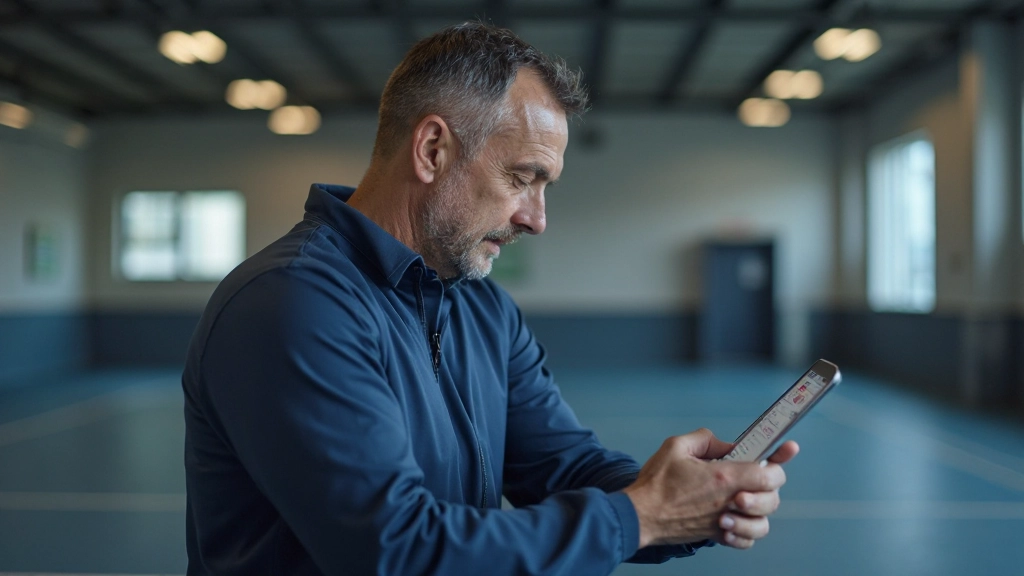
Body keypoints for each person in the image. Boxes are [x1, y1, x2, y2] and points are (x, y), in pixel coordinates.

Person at [182, 21, 798, 576]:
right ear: (432, 150)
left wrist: (694, 494)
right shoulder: (292, 303)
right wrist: (645, 516)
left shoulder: (482, 308)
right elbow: (395, 551)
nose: (537, 219)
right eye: (522, 177)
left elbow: (561, 466)